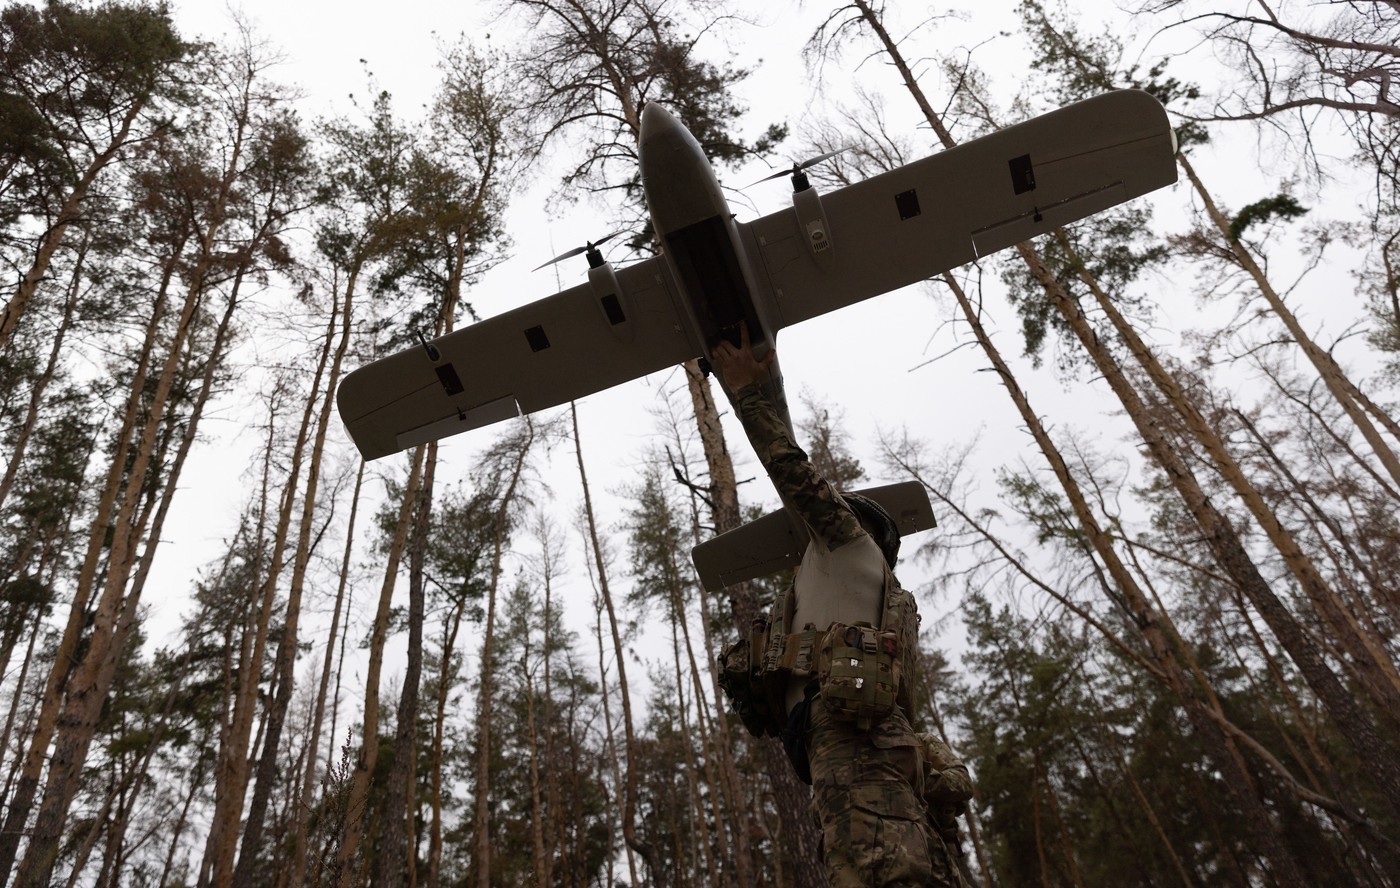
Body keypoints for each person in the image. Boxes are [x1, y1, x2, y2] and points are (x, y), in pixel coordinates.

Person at [711, 327, 967, 888]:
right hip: (841, 743)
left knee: (883, 872)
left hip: (852, 743)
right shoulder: (859, 597)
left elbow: (793, 472)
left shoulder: (850, 545)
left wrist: (750, 392)